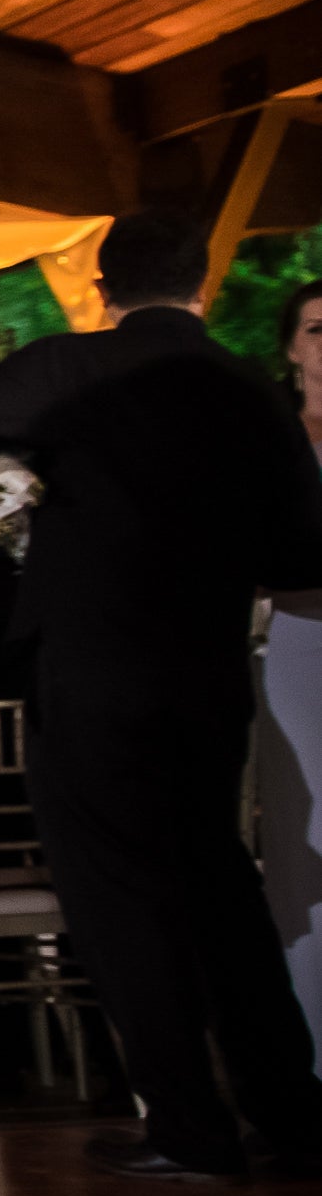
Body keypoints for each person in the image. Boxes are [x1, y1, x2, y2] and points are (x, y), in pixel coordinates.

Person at [0, 211, 322, 1179]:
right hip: (208, 669)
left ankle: (189, 1124)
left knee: (118, 896)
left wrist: (22, 469)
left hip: (91, 673)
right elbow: (304, 552)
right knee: (221, 884)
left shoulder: (70, 369)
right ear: (202, 286)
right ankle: (290, 1113)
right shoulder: (251, 392)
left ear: (103, 286)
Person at [259, 279, 322, 1071]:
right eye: (317, 328)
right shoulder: (270, 441)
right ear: (291, 346)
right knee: (308, 842)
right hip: (299, 644)